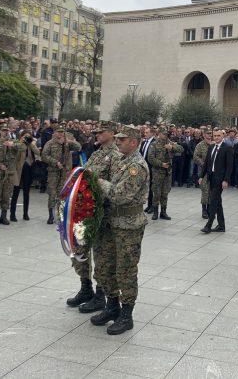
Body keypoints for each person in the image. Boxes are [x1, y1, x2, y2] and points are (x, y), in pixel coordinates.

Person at [91, 125, 149, 335]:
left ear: (133, 142)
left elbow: (119, 195)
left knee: (125, 270)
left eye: (122, 140)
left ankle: (127, 315)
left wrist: (99, 182)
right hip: (111, 223)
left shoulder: (136, 166)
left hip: (128, 226)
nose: (118, 142)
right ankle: (112, 306)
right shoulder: (123, 162)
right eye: (117, 139)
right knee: (105, 266)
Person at [67, 121, 121, 313]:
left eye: (101, 132)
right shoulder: (97, 153)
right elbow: (85, 176)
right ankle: (85, 287)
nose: (97, 134)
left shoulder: (117, 156)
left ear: (113, 133)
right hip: (87, 211)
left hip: (104, 214)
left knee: (102, 256)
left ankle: (100, 295)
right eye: (96, 131)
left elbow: (115, 187)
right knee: (80, 250)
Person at [41, 128, 81, 224]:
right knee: (52, 193)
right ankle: (51, 215)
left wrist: (70, 141)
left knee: (62, 193)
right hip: (53, 172)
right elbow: (44, 156)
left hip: (64, 172)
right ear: (54, 133)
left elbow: (79, 147)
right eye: (58, 132)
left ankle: (60, 214)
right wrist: (55, 162)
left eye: (62, 132)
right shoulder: (49, 143)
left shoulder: (67, 143)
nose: (60, 134)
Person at [0, 123, 24, 225]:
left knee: (6, 195)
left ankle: (4, 217)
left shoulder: (13, 142)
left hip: (9, 173)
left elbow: (23, 147)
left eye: (7, 130)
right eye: (3, 130)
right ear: (0, 131)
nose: (5, 132)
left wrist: (13, 144)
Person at [199, 129, 234, 233]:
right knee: (217, 201)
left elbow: (229, 166)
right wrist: (202, 176)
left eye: (219, 136)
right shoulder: (211, 147)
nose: (216, 137)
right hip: (211, 177)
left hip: (220, 179)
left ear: (222, 136)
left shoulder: (227, 148)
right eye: (215, 136)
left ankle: (209, 225)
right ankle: (221, 225)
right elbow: (206, 163)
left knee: (213, 200)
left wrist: (226, 180)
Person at [146, 127, 183, 220]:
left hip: (168, 173)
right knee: (156, 193)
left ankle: (163, 212)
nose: (165, 136)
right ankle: (155, 212)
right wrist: (161, 164)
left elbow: (181, 149)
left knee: (165, 193)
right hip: (157, 172)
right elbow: (150, 158)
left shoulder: (169, 142)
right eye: (164, 134)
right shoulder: (153, 144)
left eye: (166, 134)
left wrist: (172, 147)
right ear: (159, 134)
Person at [10, 130, 39, 222]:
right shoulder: (17, 143)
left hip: (28, 169)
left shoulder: (30, 145)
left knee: (27, 192)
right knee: (16, 192)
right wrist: (21, 142)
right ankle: (12, 214)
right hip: (18, 170)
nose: (26, 138)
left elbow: (38, 152)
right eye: (25, 137)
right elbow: (15, 152)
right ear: (21, 137)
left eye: (28, 137)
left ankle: (25, 213)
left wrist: (31, 143)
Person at [193, 130, 212, 218]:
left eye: (210, 134)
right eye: (207, 134)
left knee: (211, 191)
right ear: (204, 135)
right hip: (203, 173)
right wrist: (203, 164)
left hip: (213, 172)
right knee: (205, 190)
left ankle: (210, 208)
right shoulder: (200, 145)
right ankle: (204, 210)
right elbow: (195, 157)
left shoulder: (214, 144)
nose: (209, 136)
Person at [139, 126, 156, 214]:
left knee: (152, 188)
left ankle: (152, 206)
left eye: (147, 132)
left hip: (152, 168)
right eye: (144, 132)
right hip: (144, 167)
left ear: (152, 133)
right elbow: (141, 154)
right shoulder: (144, 142)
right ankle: (149, 206)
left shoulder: (155, 142)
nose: (145, 134)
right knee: (146, 187)